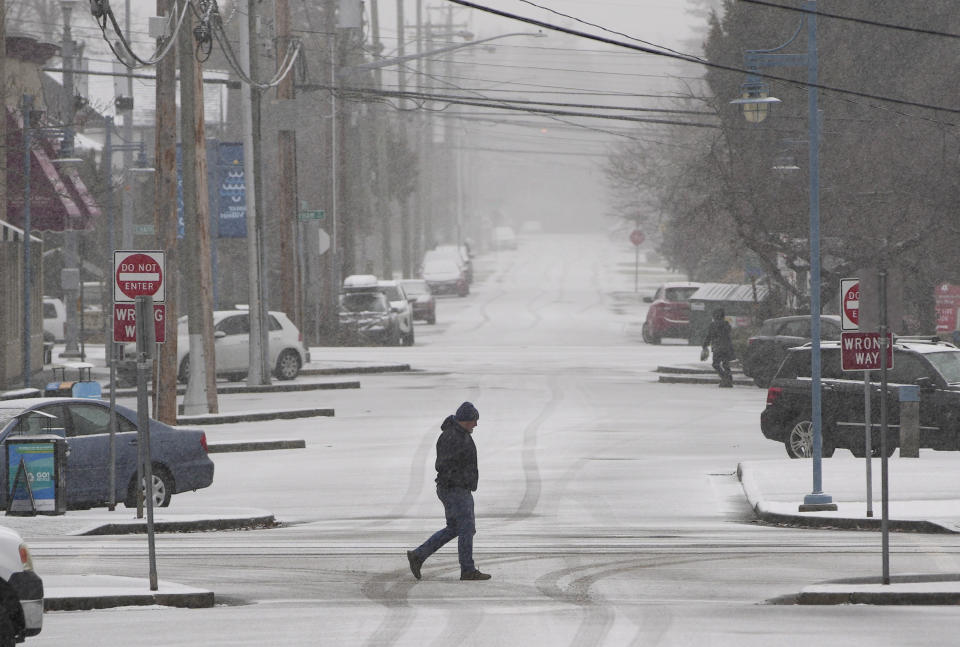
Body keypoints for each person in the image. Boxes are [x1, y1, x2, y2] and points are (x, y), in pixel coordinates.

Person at [407, 402, 491, 581]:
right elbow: (443, 465)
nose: (476, 424)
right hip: (454, 490)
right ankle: (467, 569)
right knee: (466, 528)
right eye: (474, 420)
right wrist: (460, 480)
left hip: (456, 488)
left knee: (455, 528)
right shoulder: (452, 437)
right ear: (466, 420)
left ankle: (418, 555)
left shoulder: (460, 434)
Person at [702, 308, 734, 387]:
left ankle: (725, 378)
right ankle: (729, 379)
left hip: (718, 347)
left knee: (716, 364)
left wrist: (705, 345)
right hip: (727, 347)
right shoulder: (727, 324)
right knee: (725, 364)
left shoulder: (713, 325)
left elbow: (709, 336)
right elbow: (729, 335)